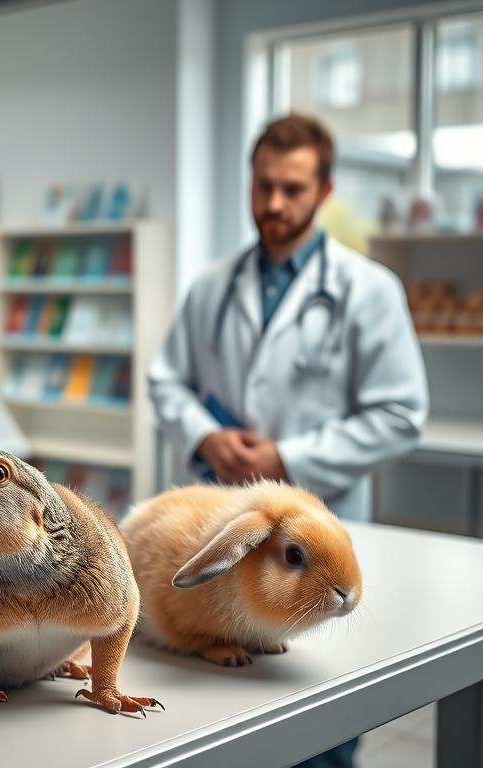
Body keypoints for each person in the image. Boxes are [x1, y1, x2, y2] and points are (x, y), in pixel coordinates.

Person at [149, 113, 429, 767]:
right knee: (215, 726)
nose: (274, 204)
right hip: (224, 542)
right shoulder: (212, 287)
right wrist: (207, 436)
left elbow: (400, 413)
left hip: (318, 553)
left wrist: (286, 460)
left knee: (319, 730)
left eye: (293, 189)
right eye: (263, 186)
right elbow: (166, 381)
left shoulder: (369, 291)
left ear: (324, 193)